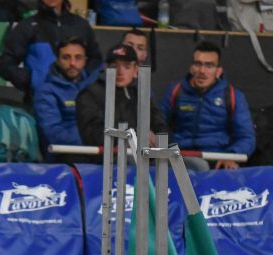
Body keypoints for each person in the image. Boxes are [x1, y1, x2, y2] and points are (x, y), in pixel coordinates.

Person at [0, 0, 102, 99]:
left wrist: (83, 81)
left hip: (77, 99)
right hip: (39, 100)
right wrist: (32, 80)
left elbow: (96, 60)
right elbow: (5, 64)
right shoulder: (27, 26)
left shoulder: (80, 25)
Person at [160, 41, 255, 170]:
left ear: (218, 71)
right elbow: (158, 126)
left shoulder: (233, 95)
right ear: (191, 68)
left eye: (209, 65)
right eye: (198, 64)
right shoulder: (175, 91)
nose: (202, 71)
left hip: (218, 160)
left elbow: (247, 137)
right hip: (179, 156)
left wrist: (232, 156)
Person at [76, 43, 167, 161]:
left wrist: (157, 139)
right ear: (105, 68)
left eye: (127, 66)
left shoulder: (141, 95)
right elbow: (93, 135)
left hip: (146, 155)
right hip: (106, 159)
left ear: (136, 70)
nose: (120, 72)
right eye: (114, 66)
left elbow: (162, 127)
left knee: (183, 164)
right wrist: (132, 137)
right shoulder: (90, 95)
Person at [32, 37, 98, 157]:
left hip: (97, 150)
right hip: (65, 156)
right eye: (66, 57)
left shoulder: (93, 87)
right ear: (57, 60)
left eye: (78, 57)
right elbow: (53, 133)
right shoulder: (46, 91)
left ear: (85, 61)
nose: (72, 63)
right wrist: (93, 141)